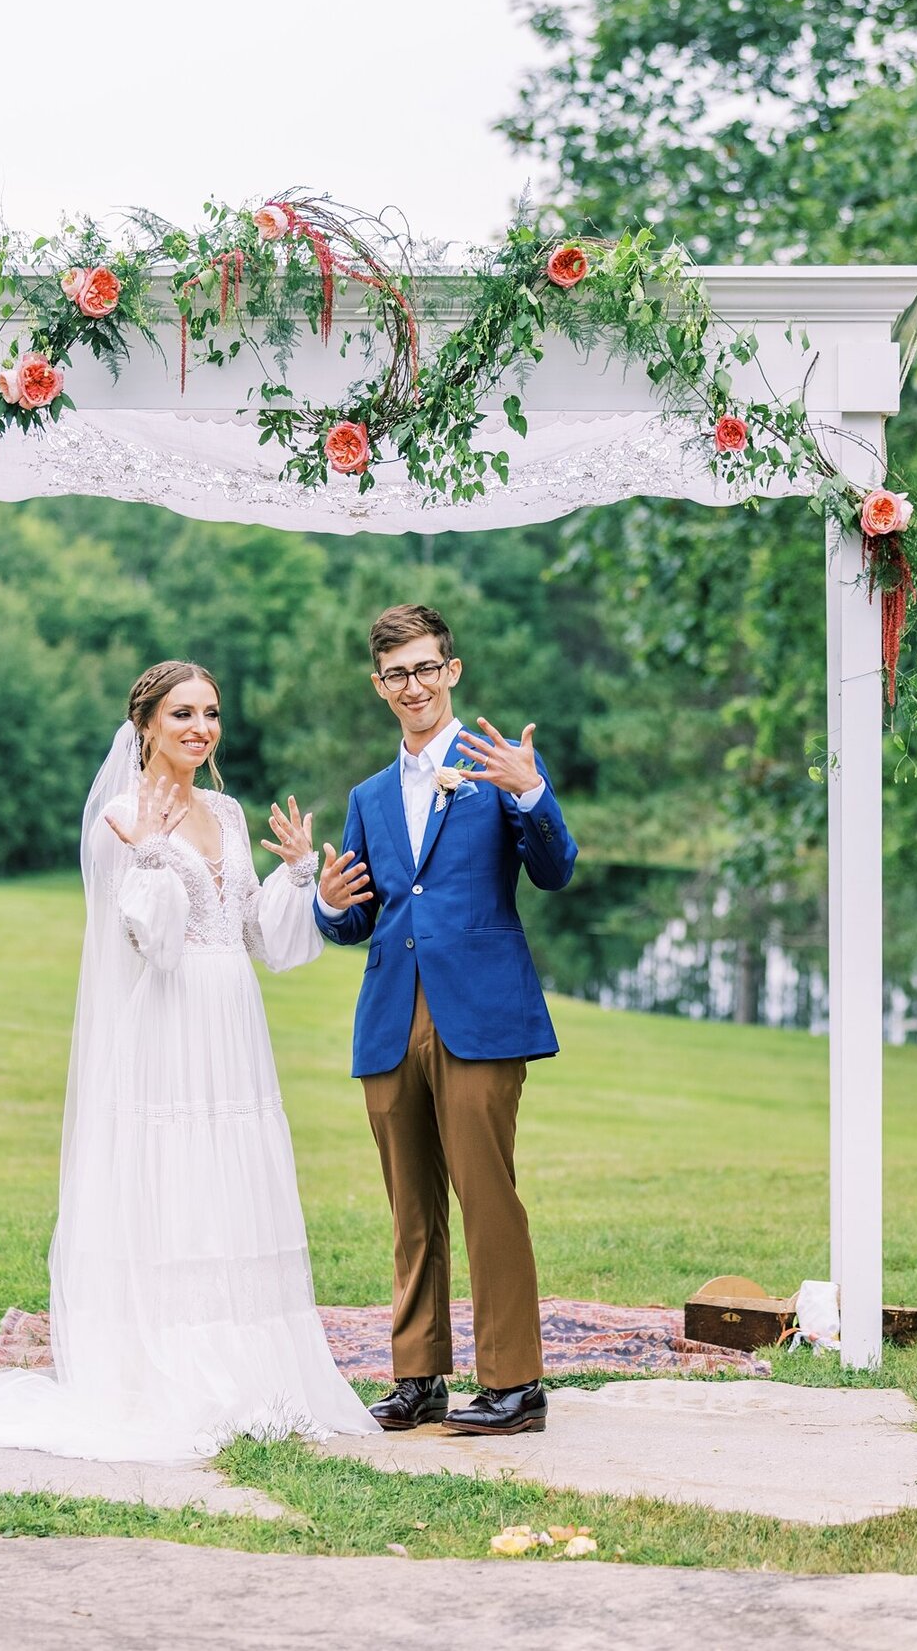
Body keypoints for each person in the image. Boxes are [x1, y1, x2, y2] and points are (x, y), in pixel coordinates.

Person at [0, 660, 378, 1462]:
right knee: (175, 1178)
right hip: (168, 1026)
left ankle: (254, 1366)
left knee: (231, 1175)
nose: (201, 728)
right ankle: (174, 1371)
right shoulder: (122, 819)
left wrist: (305, 881)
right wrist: (154, 855)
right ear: (145, 726)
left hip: (233, 1020)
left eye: (210, 712)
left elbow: (259, 937)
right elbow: (155, 942)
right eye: (182, 714)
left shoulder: (230, 812)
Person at [316, 606, 577, 1435]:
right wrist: (325, 906)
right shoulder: (366, 796)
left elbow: (555, 867)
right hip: (391, 1015)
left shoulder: (494, 766)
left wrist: (531, 790)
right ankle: (417, 1375)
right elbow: (360, 918)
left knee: (486, 1193)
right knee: (410, 1207)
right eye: (397, 673)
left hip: (481, 1013)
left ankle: (514, 1383)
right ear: (378, 685)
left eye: (427, 668)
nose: (414, 685)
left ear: (451, 671)